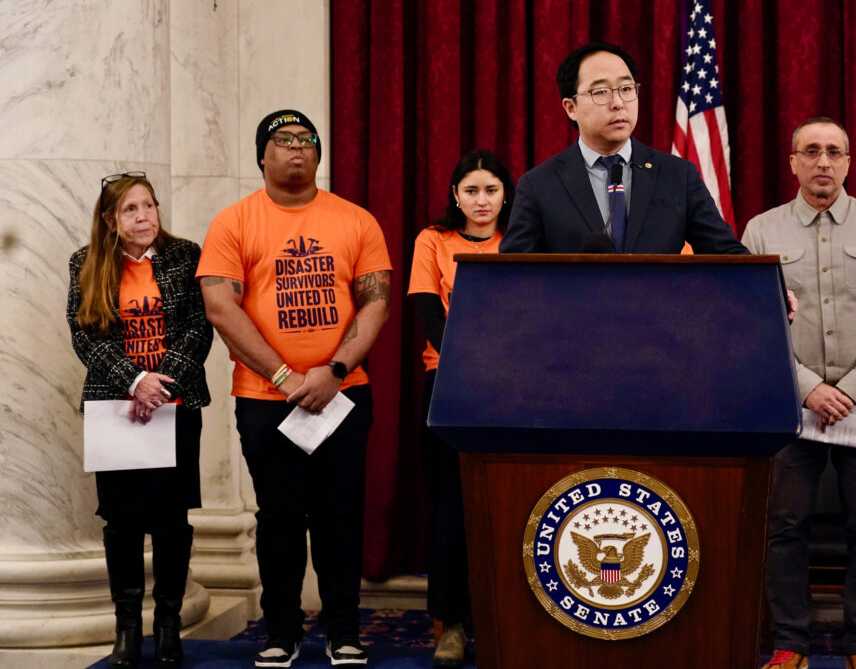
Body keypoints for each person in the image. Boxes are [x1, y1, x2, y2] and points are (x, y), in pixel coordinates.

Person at [196, 109, 392, 668]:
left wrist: (333, 371)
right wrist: (283, 376)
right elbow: (220, 305)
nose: (298, 149)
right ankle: (281, 630)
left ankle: (344, 631)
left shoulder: (355, 220)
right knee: (278, 517)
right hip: (265, 399)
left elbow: (375, 300)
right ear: (263, 155)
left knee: (340, 514)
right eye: (284, 141)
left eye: (308, 140)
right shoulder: (234, 223)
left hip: (344, 394)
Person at [742, 117, 856, 669]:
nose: (823, 162)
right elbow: (752, 324)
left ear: (849, 162)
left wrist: (849, 388)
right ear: (792, 161)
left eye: (834, 152)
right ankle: (790, 642)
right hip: (791, 414)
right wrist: (809, 389)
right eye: (811, 151)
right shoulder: (761, 231)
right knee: (784, 527)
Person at [67, 172, 213, 668]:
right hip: (116, 409)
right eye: (131, 209)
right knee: (122, 524)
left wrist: (160, 383)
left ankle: (168, 626)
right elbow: (85, 335)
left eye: (149, 206)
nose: (144, 216)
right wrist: (135, 381)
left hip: (175, 406)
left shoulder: (185, 255)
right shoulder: (85, 264)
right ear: (110, 220)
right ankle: (127, 627)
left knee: (172, 522)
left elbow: (199, 328)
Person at [408, 150, 514, 668]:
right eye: (471, 190)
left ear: (505, 194)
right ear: (456, 195)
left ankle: (508, 616)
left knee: (509, 504)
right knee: (451, 509)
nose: (481, 200)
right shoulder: (433, 240)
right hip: (448, 384)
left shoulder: (520, 240)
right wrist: (472, 366)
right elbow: (429, 311)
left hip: (515, 389)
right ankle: (451, 624)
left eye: (490, 190)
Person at [499, 41, 747, 255]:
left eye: (626, 89)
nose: (618, 103)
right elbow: (513, 273)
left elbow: (725, 253)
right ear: (570, 107)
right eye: (601, 92)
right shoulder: (539, 185)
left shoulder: (678, 175)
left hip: (658, 309)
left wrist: (773, 289)